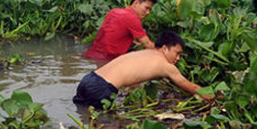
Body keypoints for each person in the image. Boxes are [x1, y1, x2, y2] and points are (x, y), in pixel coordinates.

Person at [73, 31, 214, 108]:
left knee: (82, 112)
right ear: (164, 48)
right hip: (103, 88)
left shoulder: (146, 52)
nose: (178, 59)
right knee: (105, 125)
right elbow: (189, 86)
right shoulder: (166, 65)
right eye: (177, 53)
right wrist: (213, 97)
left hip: (88, 79)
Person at [81, 0, 157, 63]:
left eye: (150, 10)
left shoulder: (114, 12)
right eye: (146, 8)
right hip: (107, 60)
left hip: (90, 56)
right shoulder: (132, 18)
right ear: (136, 3)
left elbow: (113, 34)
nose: (148, 12)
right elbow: (148, 45)